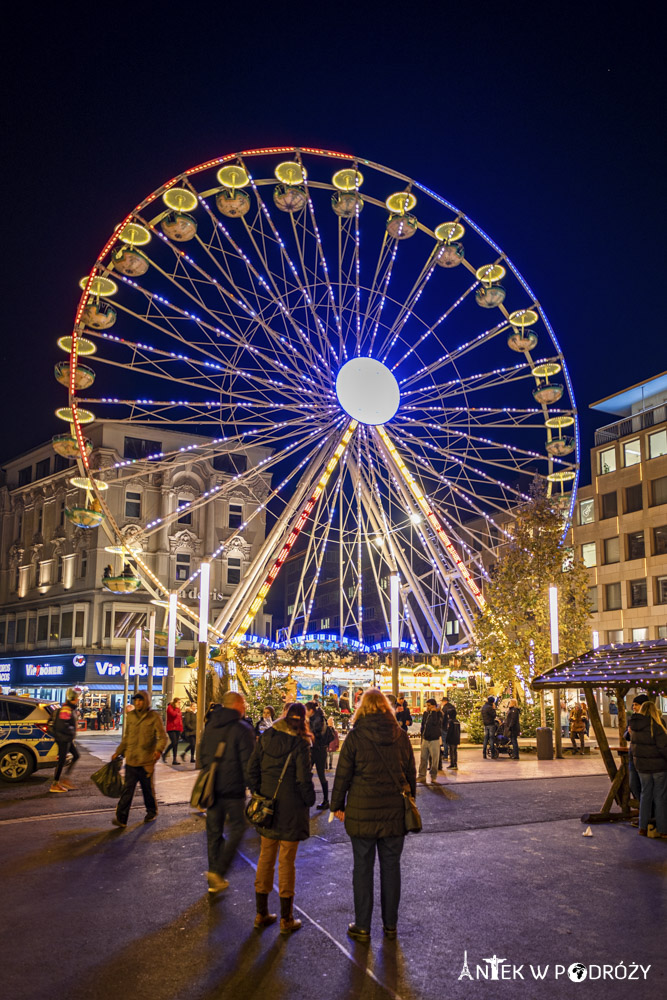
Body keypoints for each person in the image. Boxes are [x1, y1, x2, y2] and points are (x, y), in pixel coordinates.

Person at [331, 688, 416, 942]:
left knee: (362, 868)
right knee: (391, 868)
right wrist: (410, 803)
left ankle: (363, 926)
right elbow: (410, 775)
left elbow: (343, 775)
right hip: (393, 813)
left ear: (361, 708)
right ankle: (390, 925)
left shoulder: (356, 738)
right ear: (387, 709)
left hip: (361, 811)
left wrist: (338, 805)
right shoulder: (400, 736)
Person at [247, 702, 316, 933]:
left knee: (266, 856)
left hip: (268, 807)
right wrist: (309, 800)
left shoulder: (267, 736)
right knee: (287, 861)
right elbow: (303, 779)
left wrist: (260, 793)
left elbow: (252, 769)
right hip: (291, 809)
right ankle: (286, 919)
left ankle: (261, 913)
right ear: (303, 718)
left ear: (285, 715)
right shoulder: (300, 742)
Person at [200, 691, 256, 893]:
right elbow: (248, 763)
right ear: (238, 705)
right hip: (233, 788)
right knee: (238, 828)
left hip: (213, 787)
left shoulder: (211, 725)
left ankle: (213, 876)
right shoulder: (242, 729)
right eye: (244, 704)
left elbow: (202, 755)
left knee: (214, 831)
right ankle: (219, 871)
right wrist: (254, 788)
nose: (245, 708)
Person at [111, 691, 167, 826]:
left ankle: (152, 811)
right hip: (131, 760)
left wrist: (158, 750)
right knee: (127, 791)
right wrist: (118, 752)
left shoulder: (153, 717)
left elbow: (162, 737)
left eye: (140, 700)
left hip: (146, 761)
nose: (138, 703)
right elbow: (127, 738)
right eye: (136, 700)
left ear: (146, 701)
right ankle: (121, 818)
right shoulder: (130, 717)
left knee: (147, 789)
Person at [628, 701, 667, 838]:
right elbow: (663, 747)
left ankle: (642, 827)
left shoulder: (634, 727)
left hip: (642, 767)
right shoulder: (657, 726)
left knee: (645, 795)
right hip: (658, 767)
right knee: (660, 797)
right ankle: (663, 830)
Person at [49, 688, 81, 793]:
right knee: (62, 760)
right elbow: (62, 725)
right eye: (77, 698)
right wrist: (72, 731)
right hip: (64, 738)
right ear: (73, 698)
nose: (78, 700)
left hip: (66, 738)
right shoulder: (66, 709)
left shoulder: (69, 708)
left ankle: (64, 779)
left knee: (76, 756)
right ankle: (55, 784)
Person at [624, 694, 649, 806]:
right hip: (633, 755)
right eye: (633, 704)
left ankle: (649, 815)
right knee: (633, 784)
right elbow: (626, 736)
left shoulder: (651, 720)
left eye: (636, 705)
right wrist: (628, 733)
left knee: (646, 787)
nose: (634, 707)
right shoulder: (632, 719)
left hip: (645, 757)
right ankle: (645, 811)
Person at [306, 700, 331, 809]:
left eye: (306, 710)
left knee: (319, 774)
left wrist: (307, 727)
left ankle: (325, 801)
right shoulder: (317, 717)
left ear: (311, 710)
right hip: (318, 750)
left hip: (318, 750)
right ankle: (325, 800)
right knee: (308, 772)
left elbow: (315, 735)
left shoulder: (317, 719)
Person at [417, 698, 443, 784]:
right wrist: (422, 736)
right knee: (423, 758)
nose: (427, 707)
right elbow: (423, 725)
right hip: (425, 738)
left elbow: (435, 723)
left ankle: (433, 776)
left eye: (429, 705)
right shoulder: (425, 713)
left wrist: (434, 712)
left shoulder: (438, 714)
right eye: (426, 705)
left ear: (433, 706)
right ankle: (422, 776)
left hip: (434, 739)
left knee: (434, 759)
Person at [163, 697, 183, 764]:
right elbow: (173, 715)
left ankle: (174, 759)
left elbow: (180, 718)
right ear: (175, 702)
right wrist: (177, 709)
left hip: (177, 728)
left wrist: (181, 728)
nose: (179, 704)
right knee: (174, 742)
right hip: (171, 728)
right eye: (178, 702)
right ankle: (165, 754)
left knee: (176, 744)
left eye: (180, 702)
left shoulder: (178, 709)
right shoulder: (170, 707)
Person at [440, 696, 456, 762]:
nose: (442, 703)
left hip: (444, 727)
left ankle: (445, 755)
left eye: (442, 701)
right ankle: (452, 755)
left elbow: (442, 718)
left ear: (445, 701)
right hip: (452, 727)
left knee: (445, 741)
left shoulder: (444, 708)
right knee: (451, 742)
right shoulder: (452, 707)